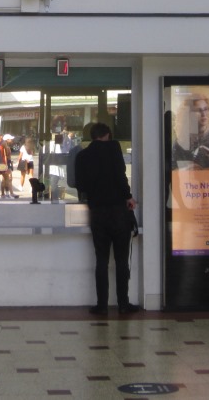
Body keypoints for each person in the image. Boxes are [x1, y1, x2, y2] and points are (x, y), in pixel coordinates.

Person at [75, 122, 139, 315]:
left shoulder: (82, 156)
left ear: (92, 136)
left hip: (97, 213)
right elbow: (121, 176)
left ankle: (102, 305)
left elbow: (81, 185)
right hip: (118, 211)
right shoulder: (114, 148)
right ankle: (123, 304)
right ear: (108, 134)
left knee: (101, 259)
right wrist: (128, 196)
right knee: (121, 260)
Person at [0, 132, 16, 199]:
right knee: (6, 178)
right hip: (1, 163)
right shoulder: (3, 143)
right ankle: (6, 194)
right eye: (1, 136)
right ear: (0, 136)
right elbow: (7, 152)